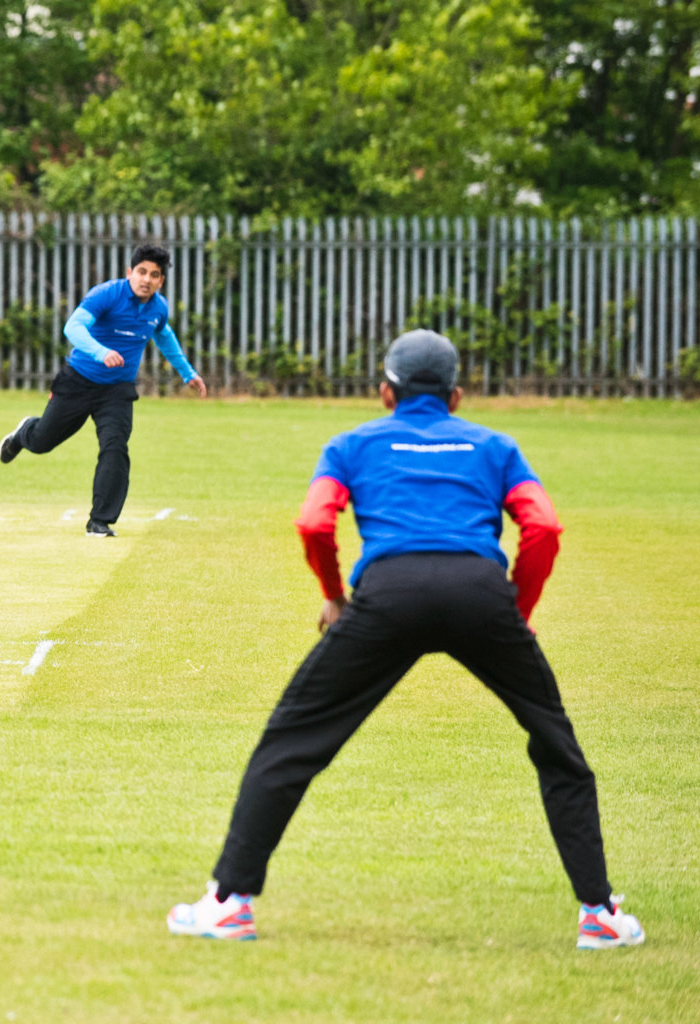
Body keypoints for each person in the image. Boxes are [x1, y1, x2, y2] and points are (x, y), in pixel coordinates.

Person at [166, 330, 644, 950]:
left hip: (388, 595)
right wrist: (516, 611)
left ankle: (229, 904)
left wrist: (335, 595)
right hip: (480, 594)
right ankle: (600, 916)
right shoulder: (495, 445)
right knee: (558, 748)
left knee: (292, 741)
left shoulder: (352, 444)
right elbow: (544, 526)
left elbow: (314, 521)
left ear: (385, 393)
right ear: (458, 395)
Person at [0, 242, 207, 536]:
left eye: (155, 275)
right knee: (43, 442)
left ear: (162, 280)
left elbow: (164, 336)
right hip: (78, 381)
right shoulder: (106, 294)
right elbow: (73, 327)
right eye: (142, 272)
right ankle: (24, 433)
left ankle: (100, 521)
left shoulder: (159, 307)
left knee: (115, 447)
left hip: (117, 390)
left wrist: (188, 373)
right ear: (129, 272)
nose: (147, 280)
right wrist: (100, 352)